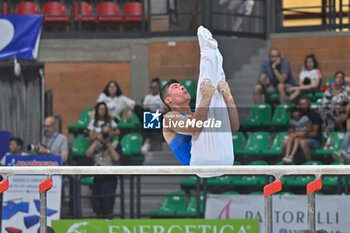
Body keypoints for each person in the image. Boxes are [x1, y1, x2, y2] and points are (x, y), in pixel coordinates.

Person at [160, 79, 239, 165]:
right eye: (175, 87)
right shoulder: (169, 118)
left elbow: (233, 126)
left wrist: (229, 98)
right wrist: (206, 97)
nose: (182, 87)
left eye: (181, 85)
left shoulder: (200, 113)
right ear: (168, 100)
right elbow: (194, 129)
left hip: (218, 160)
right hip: (197, 165)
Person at [86, 124, 121, 219]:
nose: (105, 134)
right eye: (103, 132)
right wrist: (97, 140)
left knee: (108, 203)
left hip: (109, 177)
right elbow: (88, 154)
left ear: (112, 133)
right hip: (97, 176)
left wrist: (108, 144)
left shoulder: (116, 144)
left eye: (107, 132)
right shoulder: (97, 144)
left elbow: (116, 158)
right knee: (97, 203)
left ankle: (108, 221)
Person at [282, 97, 322, 162]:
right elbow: (292, 129)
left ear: (309, 105)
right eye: (301, 104)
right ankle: (286, 162)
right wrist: (292, 131)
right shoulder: (296, 116)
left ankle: (309, 164)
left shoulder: (315, 115)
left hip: (313, 141)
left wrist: (301, 134)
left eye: (305, 104)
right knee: (285, 142)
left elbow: (314, 134)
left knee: (302, 142)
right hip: (297, 137)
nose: (303, 106)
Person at [320, 71, 350, 138]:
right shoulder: (328, 90)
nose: (339, 79)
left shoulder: (347, 89)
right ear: (334, 79)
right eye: (337, 77)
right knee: (323, 112)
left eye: (341, 78)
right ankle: (328, 137)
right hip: (329, 111)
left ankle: (341, 137)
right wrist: (334, 107)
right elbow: (324, 103)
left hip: (342, 112)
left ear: (343, 80)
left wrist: (345, 109)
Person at [141, 77, 165, 154]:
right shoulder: (148, 97)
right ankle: (148, 141)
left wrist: (153, 110)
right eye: (152, 87)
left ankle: (148, 141)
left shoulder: (162, 97)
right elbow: (144, 107)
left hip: (160, 115)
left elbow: (164, 110)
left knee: (150, 116)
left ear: (159, 87)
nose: (154, 89)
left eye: (155, 87)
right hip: (149, 114)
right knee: (143, 112)